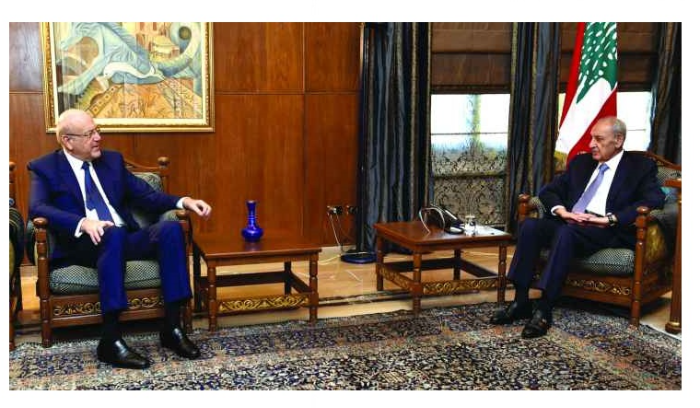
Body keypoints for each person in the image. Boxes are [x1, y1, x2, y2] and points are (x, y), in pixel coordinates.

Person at [28, 109, 212, 369]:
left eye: (97, 130)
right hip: (84, 246)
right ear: (68, 141)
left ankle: (172, 327)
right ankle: (110, 339)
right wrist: (83, 222)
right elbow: (37, 207)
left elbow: (147, 197)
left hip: (124, 239)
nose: (98, 138)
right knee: (112, 233)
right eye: (89, 134)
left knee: (170, 230)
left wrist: (185, 201)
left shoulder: (111, 161)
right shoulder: (45, 167)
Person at [490, 116, 665, 338]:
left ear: (618, 140)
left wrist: (610, 219)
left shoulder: (640, 167)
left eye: (599, 139)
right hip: (570, 221)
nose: (591, 144)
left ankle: (544, 308)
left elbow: (654, 199)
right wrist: (563, 212)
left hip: (604, 229)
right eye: (592, 138)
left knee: (566, 232)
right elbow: (548, 191)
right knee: (530, 226)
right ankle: (521, 301)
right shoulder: (581, 163)